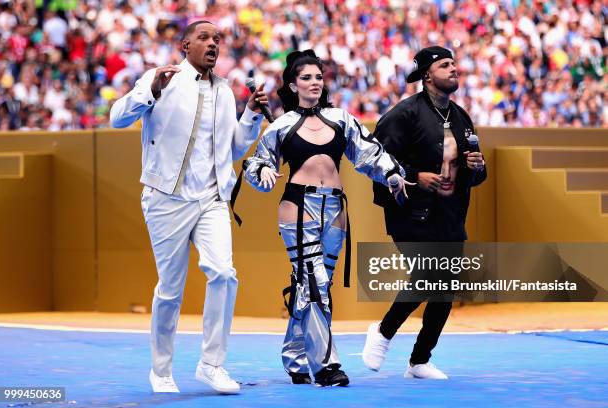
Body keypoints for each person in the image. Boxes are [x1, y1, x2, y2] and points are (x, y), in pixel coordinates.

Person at [110, 20, 268, 394]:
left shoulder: (227, 91)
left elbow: (233, 150)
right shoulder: (161, 78)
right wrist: (149, 91)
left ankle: (212, 364)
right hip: (166, 198)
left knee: (224, 274)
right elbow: (118, 118)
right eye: (204, 38)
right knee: (171, 289)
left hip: (212, 199)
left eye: (218, 39)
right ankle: (161, 370)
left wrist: (251, 116)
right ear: (185, 45)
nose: (213, 43)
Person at [244, 49, 411, 387]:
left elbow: (368, 153)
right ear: (293, 85)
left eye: (319, 77)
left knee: (312, 287)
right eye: (307, 77)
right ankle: (326, 366)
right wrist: (261, 172)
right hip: (297, 208)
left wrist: (392, 174)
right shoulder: (282, 125)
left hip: (335, 210)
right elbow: (257, 162)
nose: (315, 82)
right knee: (315, 283)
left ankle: (294, 359)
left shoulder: (341, 119)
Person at [362, 46, 487, 379]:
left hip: (450, 215)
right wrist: (414, 176)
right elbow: (377, 161)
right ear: (427, 75)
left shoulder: (461, 118)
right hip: (411, 214)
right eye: (445, 65)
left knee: (444, 289)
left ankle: (419, 361)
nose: (454, 68)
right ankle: (384, 331)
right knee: (427, 276)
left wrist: (477, 166)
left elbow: (477, 173)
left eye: (454, 63)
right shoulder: (402, 115)